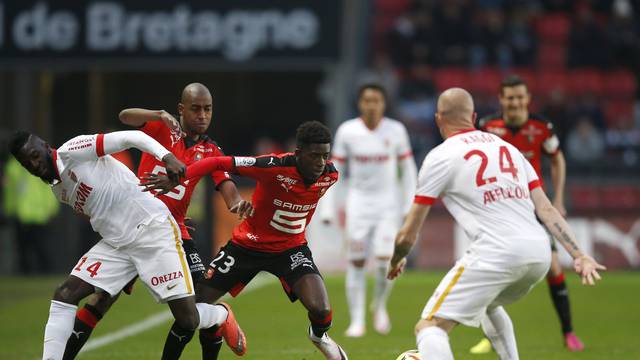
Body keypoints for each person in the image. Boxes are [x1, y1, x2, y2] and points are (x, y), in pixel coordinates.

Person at [387, 88, 605, 360]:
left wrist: (397, 259)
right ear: (474, 117)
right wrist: (579, 255)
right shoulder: (509, 149)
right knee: (488, 304)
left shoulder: (440, 157)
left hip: (497, 252)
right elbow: (546, 209)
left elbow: (409, 233)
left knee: (430, 327)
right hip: (538, 255)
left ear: (438, 118)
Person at [7, 130, 245, 360]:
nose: (34, 165)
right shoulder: (58, 189)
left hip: (151, 230)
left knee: (188, 319)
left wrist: (168, 157)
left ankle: (220, 315)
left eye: (35, 156)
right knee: (65, 294)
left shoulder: (73, 150)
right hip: (117, 244)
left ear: (46, 147)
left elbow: (132, 137)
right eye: (28, 164)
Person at [62, 83, 253, 360]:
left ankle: (220, 321)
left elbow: (228, 188)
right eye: (196, 109)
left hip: (174, 233)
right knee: (101, 298)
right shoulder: (162, 130)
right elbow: (125, 116)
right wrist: (157, 114)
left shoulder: (212, 151)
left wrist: (238, 204)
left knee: (198, 304)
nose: (202, 115)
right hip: (132, 224)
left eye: (207, 109)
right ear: (181, 110)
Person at [144, 121, 349, 360]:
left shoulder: (330, 175)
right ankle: (220, 320)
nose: (320, 162)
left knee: (321, 310)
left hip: (290, 249)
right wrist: (179, 178)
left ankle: (318, 337)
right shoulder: (272, 166)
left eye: (325, 155)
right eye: (315, 156)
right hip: (247, 247)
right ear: (298, 153)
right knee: (193, 309)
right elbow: (216, 163)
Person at [475, 75, 583, 353]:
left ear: (528, 98)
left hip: (534, 206)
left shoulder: (541, 127)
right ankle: (490, 336)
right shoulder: (487, 126)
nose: (515, 102)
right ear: (501, 99)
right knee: (493, 267)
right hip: (501, 207)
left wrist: (558, 197)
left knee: (555, 268)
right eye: (509, 97)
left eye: (520, 97)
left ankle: (568, 332)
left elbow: (557, 158)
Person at [322, 83, 417, 337]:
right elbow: (335, 172)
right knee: (356, 261)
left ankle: (380, 306)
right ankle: (357, 321)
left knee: (388, 259)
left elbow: (407, 170)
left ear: (384, 104)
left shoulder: (396, 130)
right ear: (360, 103)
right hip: (359, 204)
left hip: (388, 204)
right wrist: (328, 208)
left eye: (376, 101)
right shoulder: (347, 131)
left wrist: (410, 204)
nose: (371, 105)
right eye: (367, 100)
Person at [3, 156, 59, 274]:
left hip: (40, 215)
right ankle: (26, 275)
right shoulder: (12, 167)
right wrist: (9, 210)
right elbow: (10, 191)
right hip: (21, 215)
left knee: (42, 248)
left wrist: (51, 209)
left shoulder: (40, 164)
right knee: (22, 249)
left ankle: (47, 274)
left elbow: (49, 188)